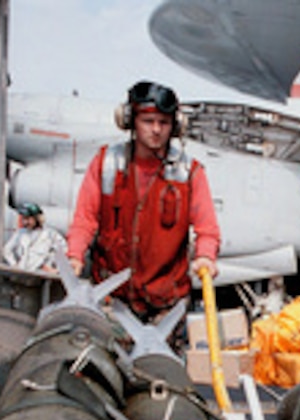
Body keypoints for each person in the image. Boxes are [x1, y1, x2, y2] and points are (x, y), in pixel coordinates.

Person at [66, 80, 220, 325]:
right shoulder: (106, 163)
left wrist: (205, 257)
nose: (156, 129)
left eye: (164, 122)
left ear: (175, 126)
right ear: (130, 121)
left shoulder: (189, 173)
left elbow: (207, 230)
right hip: (111, 300)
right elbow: (85, 219)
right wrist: (74, 256)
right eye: (148, 121)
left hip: (166, 305)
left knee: (159, 364)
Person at [2, 202, 66, 271]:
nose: (25, 222)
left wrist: (53, 267)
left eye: (28, 219)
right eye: (24, 219)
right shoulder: (20, 233)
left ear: (37, 218)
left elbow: (64, 250)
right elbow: (7, 250)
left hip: (41, 275)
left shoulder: (50, 234)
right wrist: (14, 264)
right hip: (23, 272)